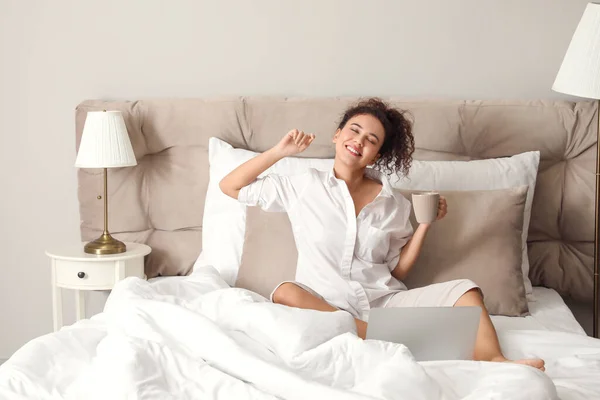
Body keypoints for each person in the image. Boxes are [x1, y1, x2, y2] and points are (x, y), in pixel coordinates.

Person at [220, 98, 545, 371]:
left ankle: (495, 359)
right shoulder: (304, 186)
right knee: (285, 292)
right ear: (337, 136)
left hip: (383, 302)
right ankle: (410, 339)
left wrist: (425, 224)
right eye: (354, 130)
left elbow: (398, 271)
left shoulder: (395, 204)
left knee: (466, 290)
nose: (359, 141)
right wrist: (279, 152)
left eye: (372, 140)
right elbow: (230, 186)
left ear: (377, 154)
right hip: (325, 303)